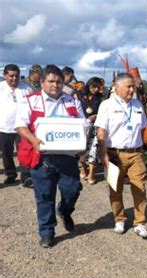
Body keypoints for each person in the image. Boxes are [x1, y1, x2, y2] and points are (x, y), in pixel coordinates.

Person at [15, 64, 85, 248]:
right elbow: (20, 126)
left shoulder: (72, 101)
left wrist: (82, 144)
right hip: (42, 157)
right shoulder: (30, 100)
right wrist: (33, 140)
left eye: (59, 81)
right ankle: (47, 231)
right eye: (51, 81)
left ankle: (64, 210)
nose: (55, 85)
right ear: (43, 82)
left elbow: (82, 126)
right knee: (44, 196)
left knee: (73, 189)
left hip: (67, 156)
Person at [95, 73, 147, 239]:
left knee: (140, 188)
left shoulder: (138, 105)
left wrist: (143, 145)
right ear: (116, 87)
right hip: (114, 154)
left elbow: (144, 128)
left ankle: (140, 222)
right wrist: (103, 153)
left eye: (133, 86)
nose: (132, 90)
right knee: (115, 189)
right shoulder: (107, 105)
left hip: (135, 154)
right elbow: (101, 131)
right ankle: (119, 218)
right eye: (128, 86)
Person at [0, 64, 32, 187]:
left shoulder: (26, 89)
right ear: (5, 76)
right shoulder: (1, 88)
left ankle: (26, 176)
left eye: (16, 76)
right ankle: (11, 174)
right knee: (6, 153)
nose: (14, 78)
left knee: (23, 152)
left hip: (22, 127)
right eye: (11, 76)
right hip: (3, 126)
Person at [79, 77, 103, 185]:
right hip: (81, 126)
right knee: (81, 149)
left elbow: (103, 111)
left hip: (95, 125)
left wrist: (96, 116)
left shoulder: (100, 98)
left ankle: (91, 174)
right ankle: (84, 168)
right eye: (94, 87)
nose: (96, 89)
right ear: (89, 85)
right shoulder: (79, 95)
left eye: (98, 87)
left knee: (94, 148)